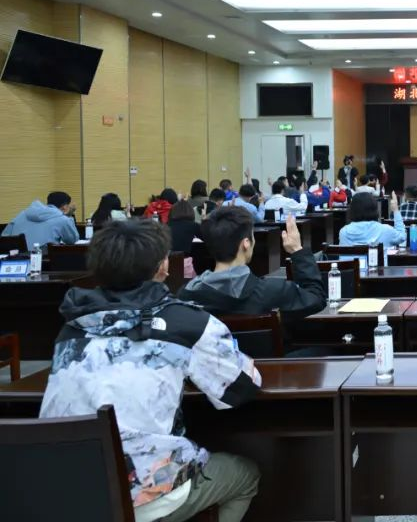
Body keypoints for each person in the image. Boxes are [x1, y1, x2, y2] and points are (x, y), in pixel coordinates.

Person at [39, 218, 261, 522]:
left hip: (61, 489)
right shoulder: (188, 324)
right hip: (141, 495)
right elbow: (241, 387)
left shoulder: (71, 327)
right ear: (162, 266)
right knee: (245, 474)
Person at [180, 208, 326, 320]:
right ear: (246, 243)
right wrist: (297, 251)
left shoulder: (186, 295)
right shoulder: (274, 291)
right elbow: (316, 299)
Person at [3, 191, 79, 247]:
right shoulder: (63, 219)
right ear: (65, 207)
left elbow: (5, 236)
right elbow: (72, 240)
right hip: (44, 259)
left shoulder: (23, 214)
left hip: (16, 259)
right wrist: (68, 216)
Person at [339, 192, 405, 248]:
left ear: (352, 210)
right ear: (375, 209)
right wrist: (396, 210)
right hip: (377, 260)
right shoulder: (385, 230)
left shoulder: (344, 232)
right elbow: (402, 237)